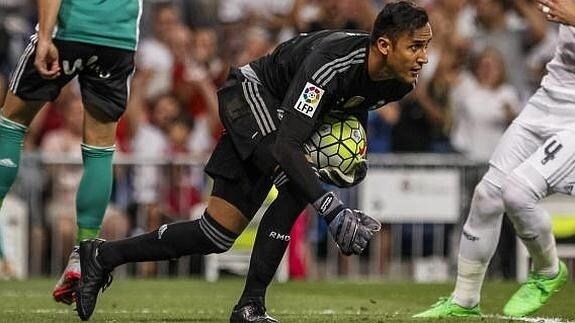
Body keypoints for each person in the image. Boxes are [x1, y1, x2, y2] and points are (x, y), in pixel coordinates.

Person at [76, 2, 432, 322]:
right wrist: (333, 210)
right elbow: (288, 146)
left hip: (286, 114)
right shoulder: (330, 65)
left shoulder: (399, 82)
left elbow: (352, 108)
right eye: (415, 46)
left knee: (215, 234)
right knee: (295, 179)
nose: (424, 57)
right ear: (384, 46)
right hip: (252, 95)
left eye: (426, 46)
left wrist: (353, 157)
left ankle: (103, 257)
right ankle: (250, 307)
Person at [414, 1, 574, 318]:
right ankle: (464, 300)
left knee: (517, 192)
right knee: (487, 196)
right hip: (546, 101)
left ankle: (548, 271)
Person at [0, 0, 141, 305]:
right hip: (119, 38)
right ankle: (84, 255)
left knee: (10, 123)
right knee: (100, 148)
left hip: (70, 28)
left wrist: (47, 37)